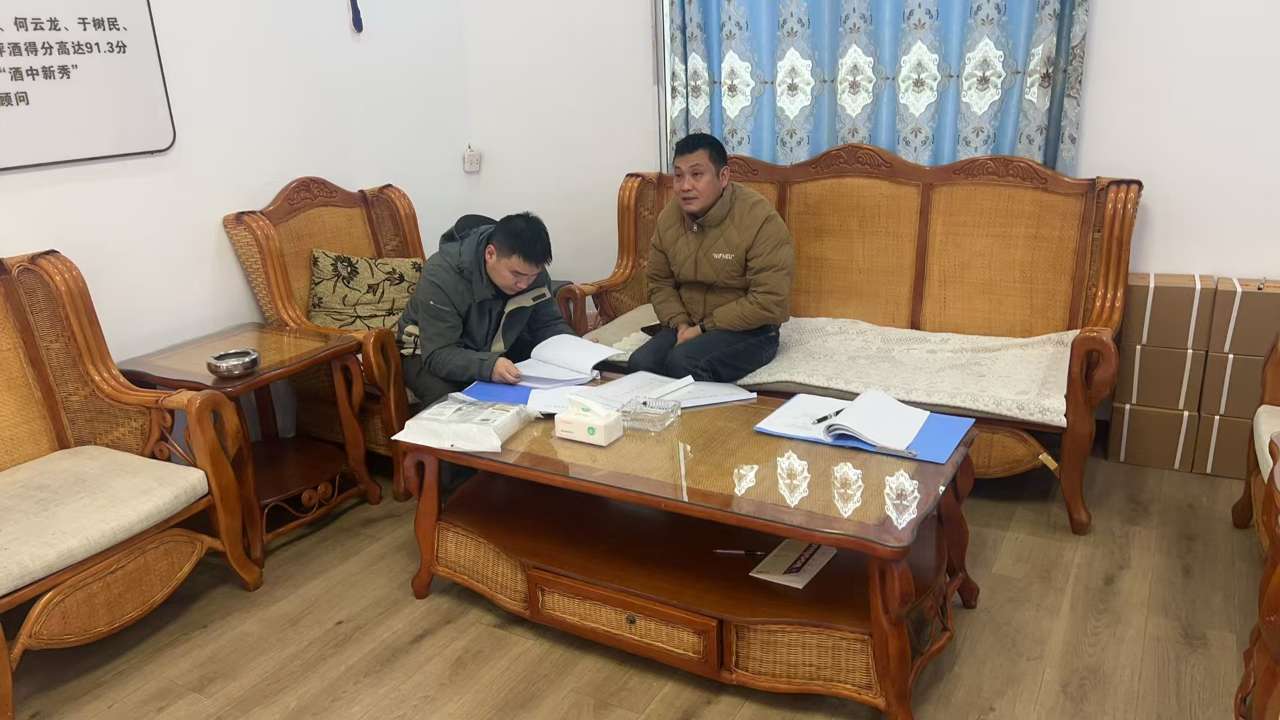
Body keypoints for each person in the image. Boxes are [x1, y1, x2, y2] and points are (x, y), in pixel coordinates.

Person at [628, 133, 794, 382]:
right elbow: (659, 281)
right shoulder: (670, 217)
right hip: (689, 323)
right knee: (640, 365)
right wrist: (681, 324)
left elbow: (769, 300)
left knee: (683, 363)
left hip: (750, 330)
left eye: (697, 174)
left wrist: (703, 328)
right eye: (678, 175)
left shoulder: (760, 219)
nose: (685, 186)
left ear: (723, 177)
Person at [397, 212, 574, 404]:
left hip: (493, 345)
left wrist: (574, 350)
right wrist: (489, 366)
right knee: (450, 405)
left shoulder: (531, 270)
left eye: (532, 276)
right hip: (427, 352)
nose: (524, 284)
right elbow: (438, 354)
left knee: (555, 386)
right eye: (516, 275)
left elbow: (548, 324)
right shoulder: (441, 275)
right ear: (490, 254)